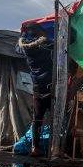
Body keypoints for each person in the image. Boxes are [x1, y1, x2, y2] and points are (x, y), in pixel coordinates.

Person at [17, 20, 55, 157]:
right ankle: (54, 148)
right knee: (54, 119)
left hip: (38, 87)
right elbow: (69, 40)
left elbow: (18, 46)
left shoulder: (25, 48)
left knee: (37, 119)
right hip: (51, 86)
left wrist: (23, 34)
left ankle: (35, 147)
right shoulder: (47, 45)